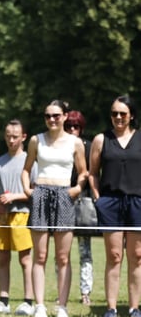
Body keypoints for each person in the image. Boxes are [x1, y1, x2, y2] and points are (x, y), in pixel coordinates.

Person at [22, 100, 88, 317]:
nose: (51, 119)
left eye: (56, 115)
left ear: (65, 116)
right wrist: (28, 190)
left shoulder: (75, 142)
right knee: (39, 255)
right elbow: (26, 169)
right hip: (40, 192)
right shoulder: (35, 140)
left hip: (64, 195)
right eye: (48, 115)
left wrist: (77, 188)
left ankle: (62, 306)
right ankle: (39, 305)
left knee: (63, 257)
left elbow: (83, 172)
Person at [88, 95, 141, 317]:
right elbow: (92, 173)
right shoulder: (101, 140)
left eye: (122, 113)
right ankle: (111, 308)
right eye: (114, 113)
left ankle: (134, 308)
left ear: (131, 115)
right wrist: (99, 199)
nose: (118, 117)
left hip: (137, 202)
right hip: (110, 202)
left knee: (137, 256)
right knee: (114, 255)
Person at [0, 119, 35, 316]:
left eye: (15, 136)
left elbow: (35, 191)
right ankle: (3, 300)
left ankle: (27, 301)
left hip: (22, 215)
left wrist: (15, 196)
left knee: (25, 259)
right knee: (3, 258)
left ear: (24, 137)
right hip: (2, 218)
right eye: (8, 136)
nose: (11, 140)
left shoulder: (30, 162)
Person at [64, 110, 94, 305]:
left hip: (83, 201)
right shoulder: (59, 145)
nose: (72, 129)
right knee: (62, 252)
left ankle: (86, 292)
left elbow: (93, 174)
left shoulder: (89, 147)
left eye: (76, 126)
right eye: (69, 126)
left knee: (85, 251)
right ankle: (62, 291)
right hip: (63, 201)